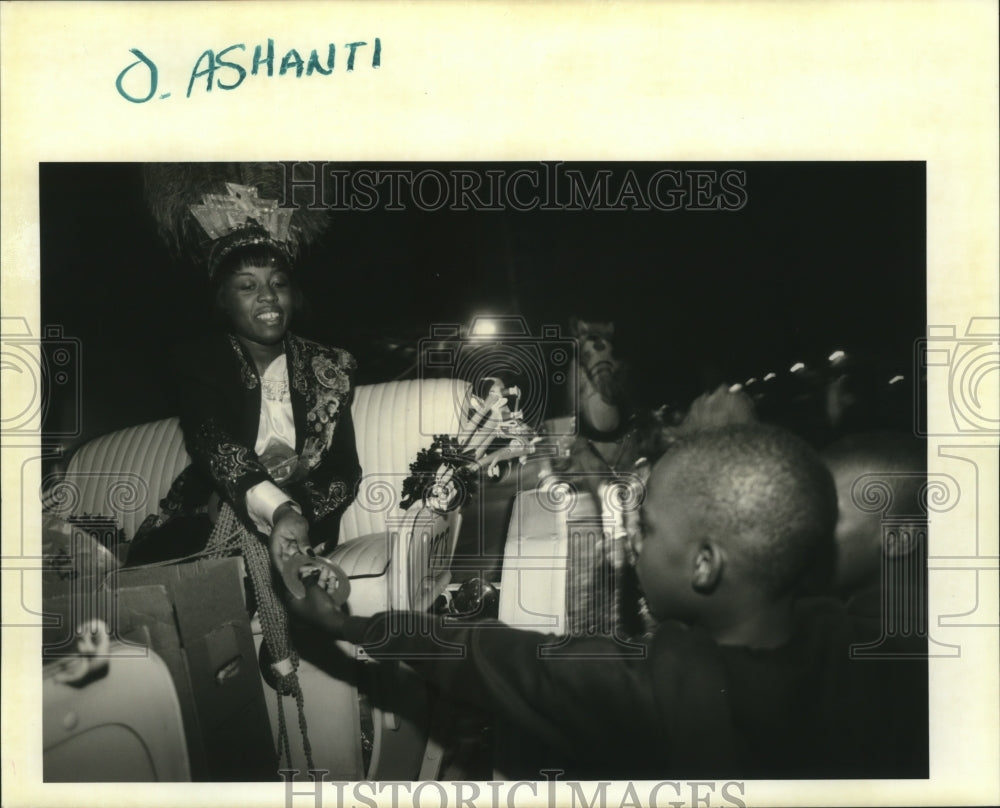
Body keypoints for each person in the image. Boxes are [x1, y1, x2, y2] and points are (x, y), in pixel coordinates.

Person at [286, 424, 925, 779]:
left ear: (705, 566)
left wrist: (347, 622)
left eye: (644, 531)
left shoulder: (657, 687)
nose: (634, 545)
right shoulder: (862, 638)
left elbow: (481, 653)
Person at [128, 184, 361, 568]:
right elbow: (215, 445)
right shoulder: (198, 361)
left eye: (278, 283)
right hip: (214, 510)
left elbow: (344, 471)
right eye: (247, 286)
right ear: (222, 300)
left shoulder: (332, 365)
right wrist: (274, 506)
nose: (268, 296)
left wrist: (296, 512)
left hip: (305, 519)